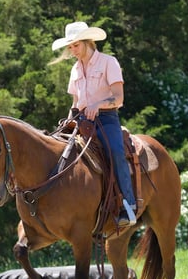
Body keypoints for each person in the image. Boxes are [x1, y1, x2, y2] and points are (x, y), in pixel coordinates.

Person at [51, 21, 137, 227]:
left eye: (76, 45)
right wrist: (67, 121)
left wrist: (98, 105)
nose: (72, 50)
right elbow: (74, 103)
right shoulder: (74, 69)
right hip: (81, 120)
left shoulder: (109, 62)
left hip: (106, 119)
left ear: (88, 42)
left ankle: (128, 204)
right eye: (70, 47)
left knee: (115, 151)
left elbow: (119, 98)